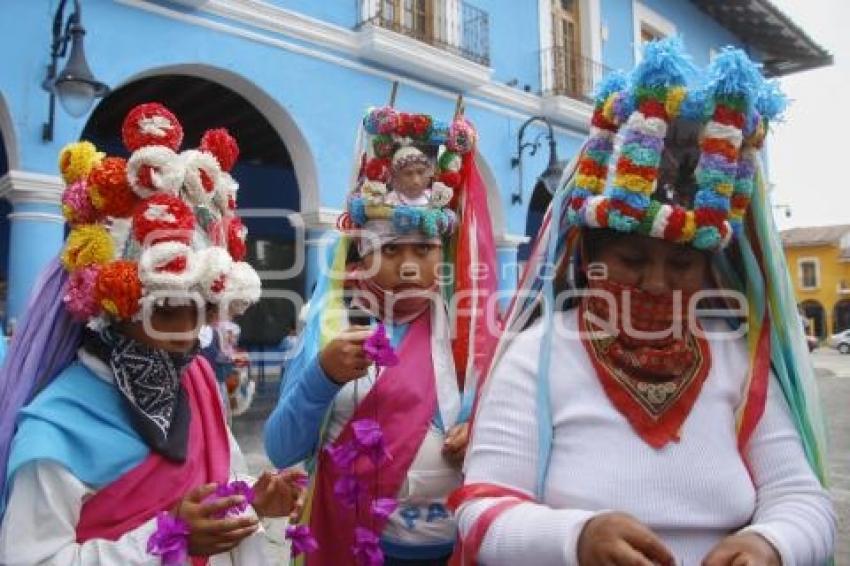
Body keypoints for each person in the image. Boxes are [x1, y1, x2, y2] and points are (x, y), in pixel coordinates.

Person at [451, 39, 835, 566]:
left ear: (708, 270)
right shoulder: (537, 356)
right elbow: (481, 509)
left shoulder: (736, 360)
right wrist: (576, 539)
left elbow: (801, 497)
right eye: (632, 260)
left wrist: (769, 544)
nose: (657, 283)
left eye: (681, 265)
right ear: (589, 260)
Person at [0, 103, 302, 565]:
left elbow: (217, 490)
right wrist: (170, 537)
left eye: (201, 306)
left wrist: (251, 503)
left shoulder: (198, 381)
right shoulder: (58, 425)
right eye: (165, 307)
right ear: (114, 303)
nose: (187, 332)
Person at [264, 105, 500, 564]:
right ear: (363, 255)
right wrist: (322, 376)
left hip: (449, 550)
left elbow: (508, 437)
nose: (410, 264)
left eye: (425, 249)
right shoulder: (334, 322)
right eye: (391, 248)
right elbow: (279, 448)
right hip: (347, 543)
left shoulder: (468, 327)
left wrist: (478, 434)